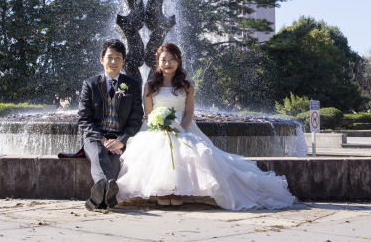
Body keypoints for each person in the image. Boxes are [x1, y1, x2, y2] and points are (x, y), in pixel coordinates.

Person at [116, 43, 296, 210]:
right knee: (156, 149)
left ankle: (177, 190)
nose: (168, 63)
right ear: (158, 62)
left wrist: (179, 130)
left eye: (172, 59)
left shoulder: (187, 86)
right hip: (156, 129)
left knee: (190, 151)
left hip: (183, 127)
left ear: (178, 61)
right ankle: (163, 190)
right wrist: (159, 127)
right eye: (163, 59)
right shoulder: (150, 86)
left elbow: (189, 113)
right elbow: (148, 114)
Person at [77, 39, 144, 211]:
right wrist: (102, 139)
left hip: (120, 138)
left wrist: (122, 140)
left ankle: (99, 199)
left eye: (118, 58)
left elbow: (136, 119)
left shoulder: (132, 85)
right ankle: (107, 190)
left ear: (123, 61)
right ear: (101, 59)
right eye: (109, 57)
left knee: (115, 160)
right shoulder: (90, 84)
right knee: (100, 155)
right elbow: (84, 118)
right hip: (95, 137)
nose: (113, 62)